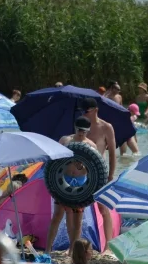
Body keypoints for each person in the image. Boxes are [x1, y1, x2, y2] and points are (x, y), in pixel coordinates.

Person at [46, 117, 98, 253]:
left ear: (88, 131)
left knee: (77, 219)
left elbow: (97, 168)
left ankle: (72, 250)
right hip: (64, 179)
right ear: (75, 128)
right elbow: (54, 162)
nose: (81, 134)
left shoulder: (91, 146)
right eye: (79, 130)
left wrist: (82, 165)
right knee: (57, 215)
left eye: (84, 131)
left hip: (81, 182)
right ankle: (47, 248)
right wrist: (71, 162)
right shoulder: (65, 141)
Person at [78, 102, 117, 251]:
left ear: (95, 110)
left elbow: (113, 153)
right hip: (82, 172)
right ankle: (78, 243)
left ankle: (108, 244)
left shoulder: (106, 127)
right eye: (82, 110)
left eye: (86, 109)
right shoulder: (81, 125)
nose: (84, 112)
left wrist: (111, 175)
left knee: (104, 209)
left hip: (100, 172)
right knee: (78, 209)